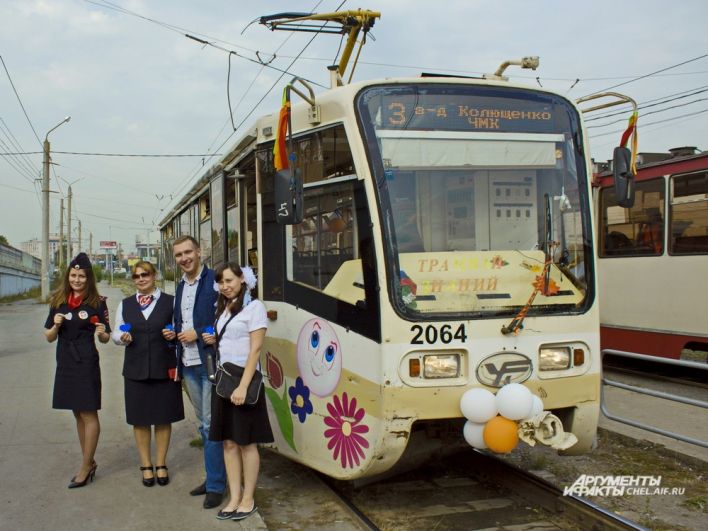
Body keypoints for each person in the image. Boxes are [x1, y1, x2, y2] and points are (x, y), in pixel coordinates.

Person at [203, 262, 273, 521]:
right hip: (224, 384)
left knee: (246, 443)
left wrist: (243, 386)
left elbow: (255, 350)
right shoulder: (222, 308)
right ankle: (233, 497)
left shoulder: (255, 308)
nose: (225, 286)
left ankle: (248, 498)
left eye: (230, 281)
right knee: (229, 442)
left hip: (245, 382)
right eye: (221, 282)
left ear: (243, 280)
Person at [163, 235, 226, 508]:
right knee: (203, 425)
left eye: (188, 252)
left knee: (212, 425)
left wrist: (198, 333)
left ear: (199, 252)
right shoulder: (179, 287)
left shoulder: (216, 280)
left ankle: (216, 485)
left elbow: (227, 316)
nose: (184, 258)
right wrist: (173, 332)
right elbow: (182, 322)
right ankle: (214, 476)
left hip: (210, 362)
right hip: (188, 364)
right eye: (179, 255)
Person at [111, 261, 184, 487]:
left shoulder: (171, 302)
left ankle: (161, 463)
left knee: (163, 418)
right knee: (140, 420)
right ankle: (145, 465)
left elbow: (179, 328)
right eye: (136, 276)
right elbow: (116, 331)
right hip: (135, 369)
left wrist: (173, 334)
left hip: (164, 367)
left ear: (154, 276)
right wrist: (121, 339)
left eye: (145, 274)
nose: (141, 279)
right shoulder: (125, 305)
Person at [43, 252, 111, 488]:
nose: (77, 279)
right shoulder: (58, 300)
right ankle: (88, 461)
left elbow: (105, 337)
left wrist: (103, 334)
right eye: (73, 275)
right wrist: (56, 325)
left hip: (86, 362)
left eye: (82, 276)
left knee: (89, 413)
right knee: (77, 413)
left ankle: (85, 465)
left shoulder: (97, 302)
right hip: (65, 362)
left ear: (88, 278)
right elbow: (49, 336)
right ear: (68, 276)